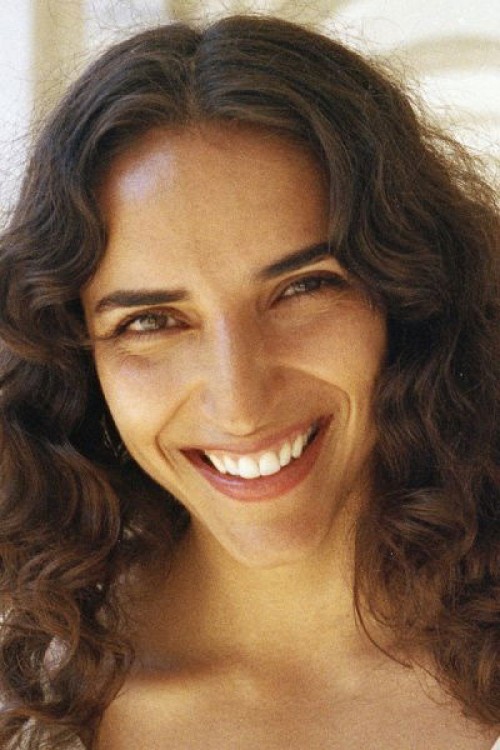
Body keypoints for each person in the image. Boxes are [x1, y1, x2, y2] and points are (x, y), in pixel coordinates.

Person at [0, 13, 498, 750]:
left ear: (411, 295)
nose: (239, 403)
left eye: (303, 287)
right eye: (151, 321)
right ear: (74, 360)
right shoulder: (24, 707)